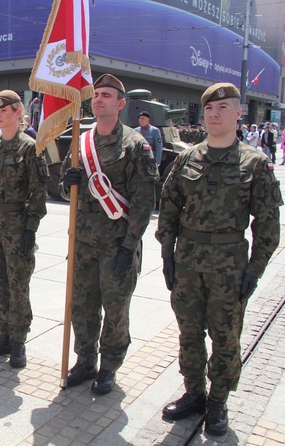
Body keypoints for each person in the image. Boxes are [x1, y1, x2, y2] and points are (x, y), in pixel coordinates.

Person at [156, 82, 281, 436]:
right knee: (189, 333)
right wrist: (167, 255)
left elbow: (268, 225)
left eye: (223, 107)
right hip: (188, 263)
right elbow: (169, 207)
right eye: (209, 108)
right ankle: (194, 393)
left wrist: (254, 270)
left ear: (238, 114)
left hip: (229, 267)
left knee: (225, 337)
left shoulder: (255, 163)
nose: (214, 114)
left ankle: (218, 400)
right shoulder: (187, 157)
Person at [60, 74, 158, 394]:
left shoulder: (135, 145)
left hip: (117, 245)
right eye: (96, 94)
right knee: (82, 306)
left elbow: (144, 202)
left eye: (106, 95)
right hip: (83, 243)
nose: (98, 99)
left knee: (116, 310)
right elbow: (64, 190)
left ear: (120, 104)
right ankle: (85, 360)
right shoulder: (81, 140)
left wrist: (130, 247)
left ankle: (109, 367)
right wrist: (69, 182)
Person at [0, 90, 48, 369]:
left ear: (18, 113)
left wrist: (31, 228)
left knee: (18, 286)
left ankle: (18, 341)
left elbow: (38, 192)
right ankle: (3, 335)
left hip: (16, 229)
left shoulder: (30, 147)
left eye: (4, 111)